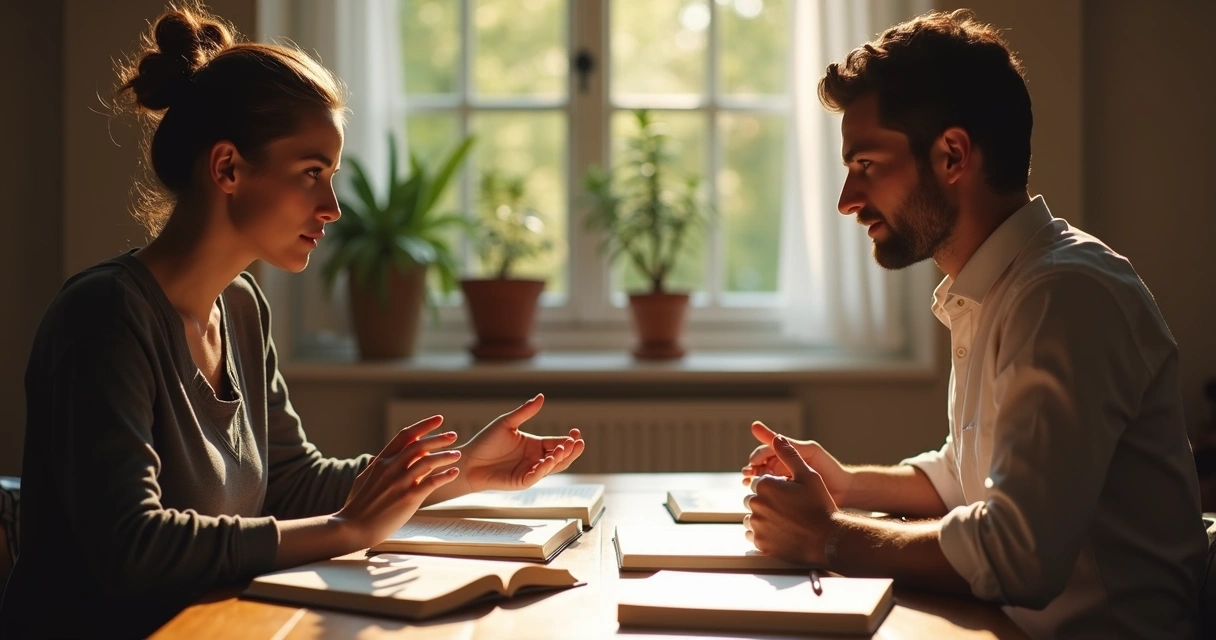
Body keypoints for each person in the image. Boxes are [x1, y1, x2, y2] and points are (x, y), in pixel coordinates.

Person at [0, 5, 585, 637]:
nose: (331, 207)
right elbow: (132, 547)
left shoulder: (243, 308)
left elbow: (291, 482)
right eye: (312, 174)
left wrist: (462, 470)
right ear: (227, 168)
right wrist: (347, 532)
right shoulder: (104, 317)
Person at [740, 9, 1207, 639]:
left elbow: (1020, 554)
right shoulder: (1002, 287)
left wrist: (827, 536)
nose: (847, 200)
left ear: (953, 155)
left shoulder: (1063, 295)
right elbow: (968, 474)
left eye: (868, 165)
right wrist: (847, 484)